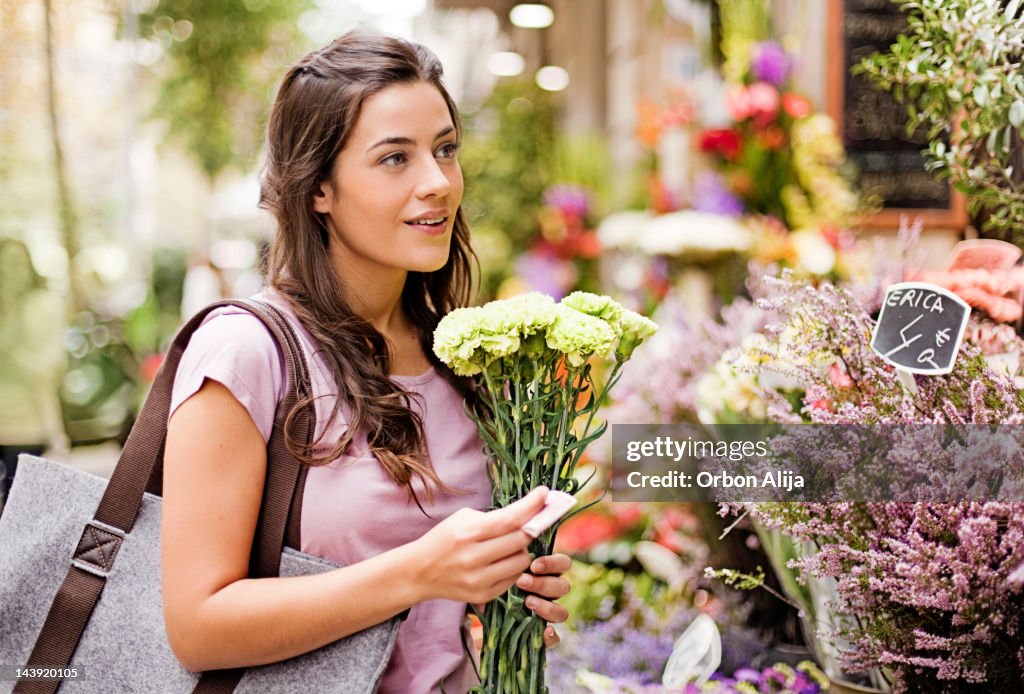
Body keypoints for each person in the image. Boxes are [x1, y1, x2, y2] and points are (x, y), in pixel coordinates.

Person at [162, 31, 572, 693]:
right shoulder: (249, 353)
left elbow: (446, 601)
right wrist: (419, 572)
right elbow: (197, 626)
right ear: (318, 187)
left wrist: (513, 585)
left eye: (445, 150)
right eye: (394, 159)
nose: (437, 183)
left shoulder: (460, 358)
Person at [0, 237, 67, 514]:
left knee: (22, 508)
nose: (12, 270)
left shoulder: (44, 306)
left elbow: (51, 366)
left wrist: (10, 354)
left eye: (19, 263)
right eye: (6, 263)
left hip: (28, 424)